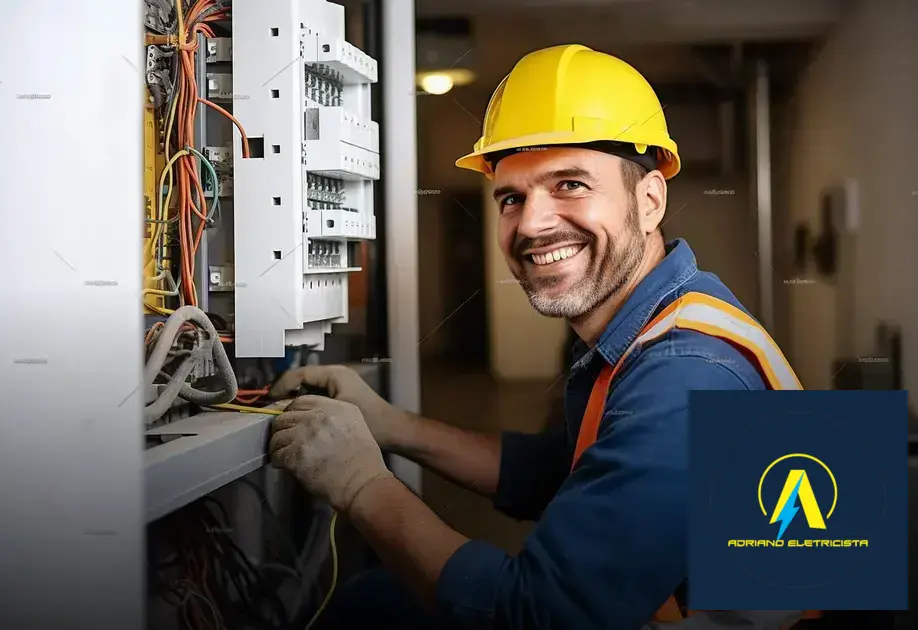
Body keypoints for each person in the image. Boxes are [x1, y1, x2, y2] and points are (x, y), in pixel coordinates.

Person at [267, 44, 810, 629]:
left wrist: (360, 485)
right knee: (377, 599)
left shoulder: (685, 372)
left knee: (370, 610)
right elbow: (565, 471)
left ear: (650, 200)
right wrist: (391, 424)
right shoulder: (665, 318)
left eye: (570, 184)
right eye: (512, 198)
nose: (531, 223)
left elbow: (537, 617)